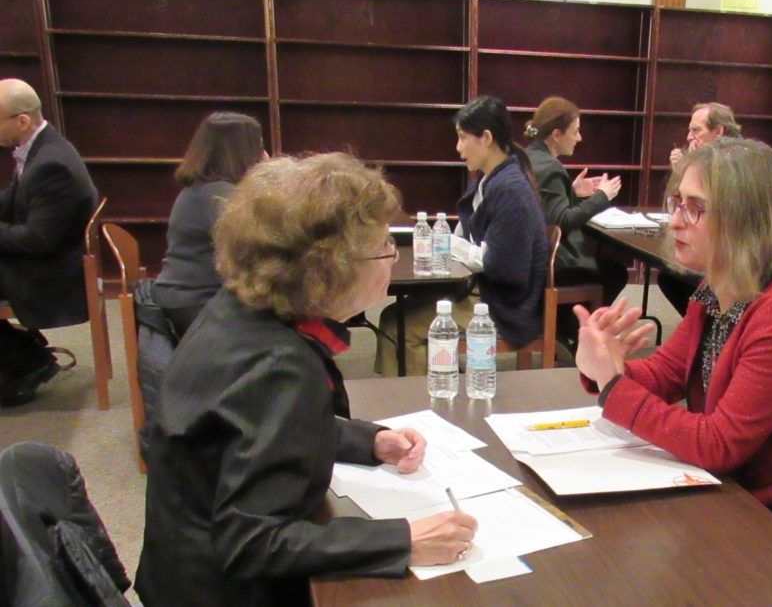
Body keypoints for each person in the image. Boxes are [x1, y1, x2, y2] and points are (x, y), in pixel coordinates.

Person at [135, 153, 477, 607]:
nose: (393, 258)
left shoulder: (235, 311)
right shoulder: (281, 363)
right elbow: (250, 542)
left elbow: (246, 426)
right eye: (384, 247)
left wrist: (368, 441)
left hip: (178, 570)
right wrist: (403, 540)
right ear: (330, 270)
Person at [573, 138, 772, 573]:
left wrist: (614, 385)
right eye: (677, 203)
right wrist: (604, 367)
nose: (676, 221)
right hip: (745, 488)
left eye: (695, 208)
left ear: (745, 218)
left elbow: (719, 445)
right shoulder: (720, 284)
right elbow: (669, 371)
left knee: (676, 570)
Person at [376, 96, 548, 376]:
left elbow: (499, 264)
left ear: (486, 138)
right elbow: (470, 238)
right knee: (393, 318)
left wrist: (449, 244)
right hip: (481, 290)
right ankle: (409, 389)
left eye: (462, 138)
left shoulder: (509, 189)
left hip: (501, 304)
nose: (458, 148)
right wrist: (452, 244)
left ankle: (419, 395)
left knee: (399, 327)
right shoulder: (490, 180)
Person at [0, 78, 98, 404]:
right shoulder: (41, 147)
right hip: (49, 260)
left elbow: (39, 240)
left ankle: (26, 363)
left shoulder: (51, 163)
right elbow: (12, 200)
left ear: (21, 121)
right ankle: (24, 356)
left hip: (53, 276)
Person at [151, 112, 267, 339]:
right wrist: (266, 175)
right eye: (258, 144)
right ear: (243, 150)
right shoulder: (219, 194)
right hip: (196, 302)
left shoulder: (205, 187)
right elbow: (257, 245)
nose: (264, 153)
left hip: (186, 296)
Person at [523, 96, 627, 348]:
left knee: (601, 268)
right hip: (547, 266)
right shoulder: (551, 168)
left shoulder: (528, 157)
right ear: (556, 135)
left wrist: (571, 191)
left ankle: (564, 326)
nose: (579, 138)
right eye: (575, 131)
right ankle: (574, 331)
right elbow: (562, 221)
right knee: (615, 273)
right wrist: (602, 196)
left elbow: (541, 207)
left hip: (526, 259)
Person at [659, 102, 742, 316]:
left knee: (676, 277)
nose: (689, 137)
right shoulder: (709, 157)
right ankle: (704, 324)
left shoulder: (739, 162)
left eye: (696, 130)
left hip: (736, 255)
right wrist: (682, 170)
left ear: (718, 131)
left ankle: (714, 320)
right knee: (670, 275)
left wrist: (689, 167)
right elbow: (679, 203)